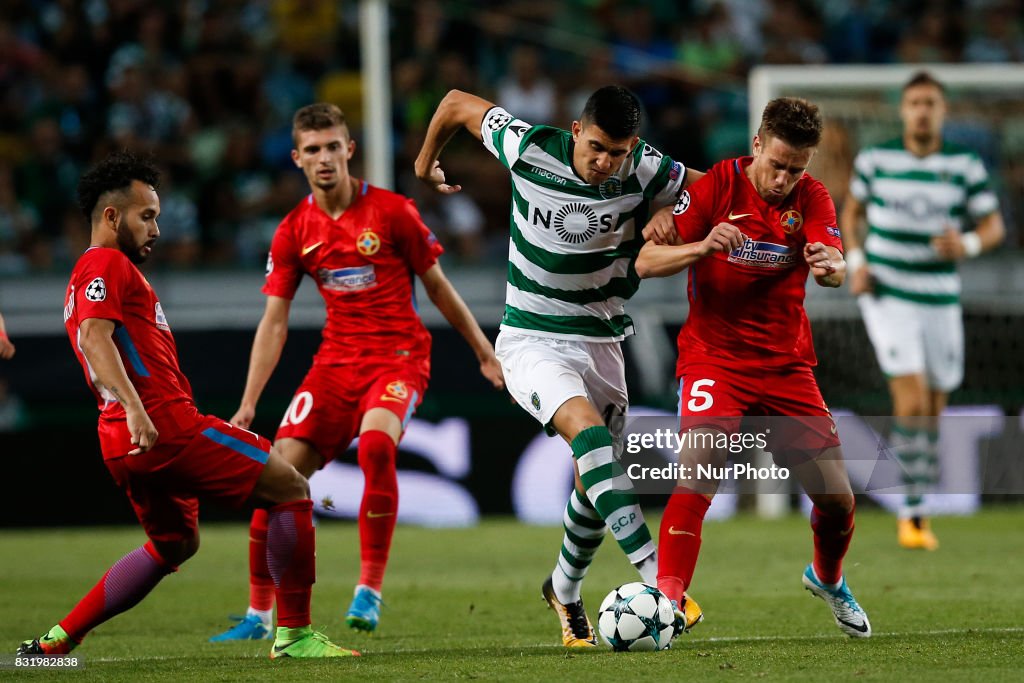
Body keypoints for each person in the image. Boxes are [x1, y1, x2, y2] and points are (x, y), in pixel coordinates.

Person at [18, 151, 358, 659]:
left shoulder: (92, 274)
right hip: (162, 423)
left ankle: (56, 640)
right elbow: (94, 337)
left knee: (175, 544)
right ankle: (295, 635)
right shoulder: (105, 262)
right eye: (147, 216)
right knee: (290, 486)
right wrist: (136, 407)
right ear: (112, 217)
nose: (157, 228)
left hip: (119, 441)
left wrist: (128, 413)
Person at [415, 85, 704, 647]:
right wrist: (426, 163)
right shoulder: (527, 147)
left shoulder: (645, 168)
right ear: (576, 130)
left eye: (617, 153)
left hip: (602, 338)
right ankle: (660, 583)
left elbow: (712, 189)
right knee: (589, 439)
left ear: (633, 147)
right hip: (531, 338)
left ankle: (564, 591)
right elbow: (452, 102)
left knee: (592, 480)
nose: (604, 163)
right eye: (596, 147)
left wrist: (675, 209)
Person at [210, 103, 504, 641]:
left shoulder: (393, 213)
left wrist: (485, 352)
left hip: (398, 358)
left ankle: (368, 588)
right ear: (297, 158)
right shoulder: (294, 230)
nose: (324, 158)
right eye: (313, 150)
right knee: (273, 478)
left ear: (350, 149)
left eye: (332, 146)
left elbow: (438, 287)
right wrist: (250, 401)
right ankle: (258, 615)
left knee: (375, 447)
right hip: (334, 366)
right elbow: (273, 322)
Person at [635, 97, 872, 638]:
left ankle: (828, 578)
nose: (784, 179)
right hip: (714, 360)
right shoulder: (716, 187)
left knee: (837, 501)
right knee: (697, 476)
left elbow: (832, 267)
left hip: (788, 365)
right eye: (777, 165)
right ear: (757, 145)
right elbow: (645, 263)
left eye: (796, 169)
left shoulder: (812, 197)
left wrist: (833, 265)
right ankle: (667, 602)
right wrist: (699, 245)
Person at [839, 71, 1005, 551]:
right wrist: (860, 262)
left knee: (933, 406)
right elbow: (853, 212)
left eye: (930, 102)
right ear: (903, 110)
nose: (922, 110)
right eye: (915, 102)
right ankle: (912, 515)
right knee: (910, 401)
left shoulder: (964, 164)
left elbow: (993, 226)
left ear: (943, 110)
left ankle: (918, 504)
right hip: (888, 292)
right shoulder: (876, 159)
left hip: (940, 295)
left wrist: (968, 241)